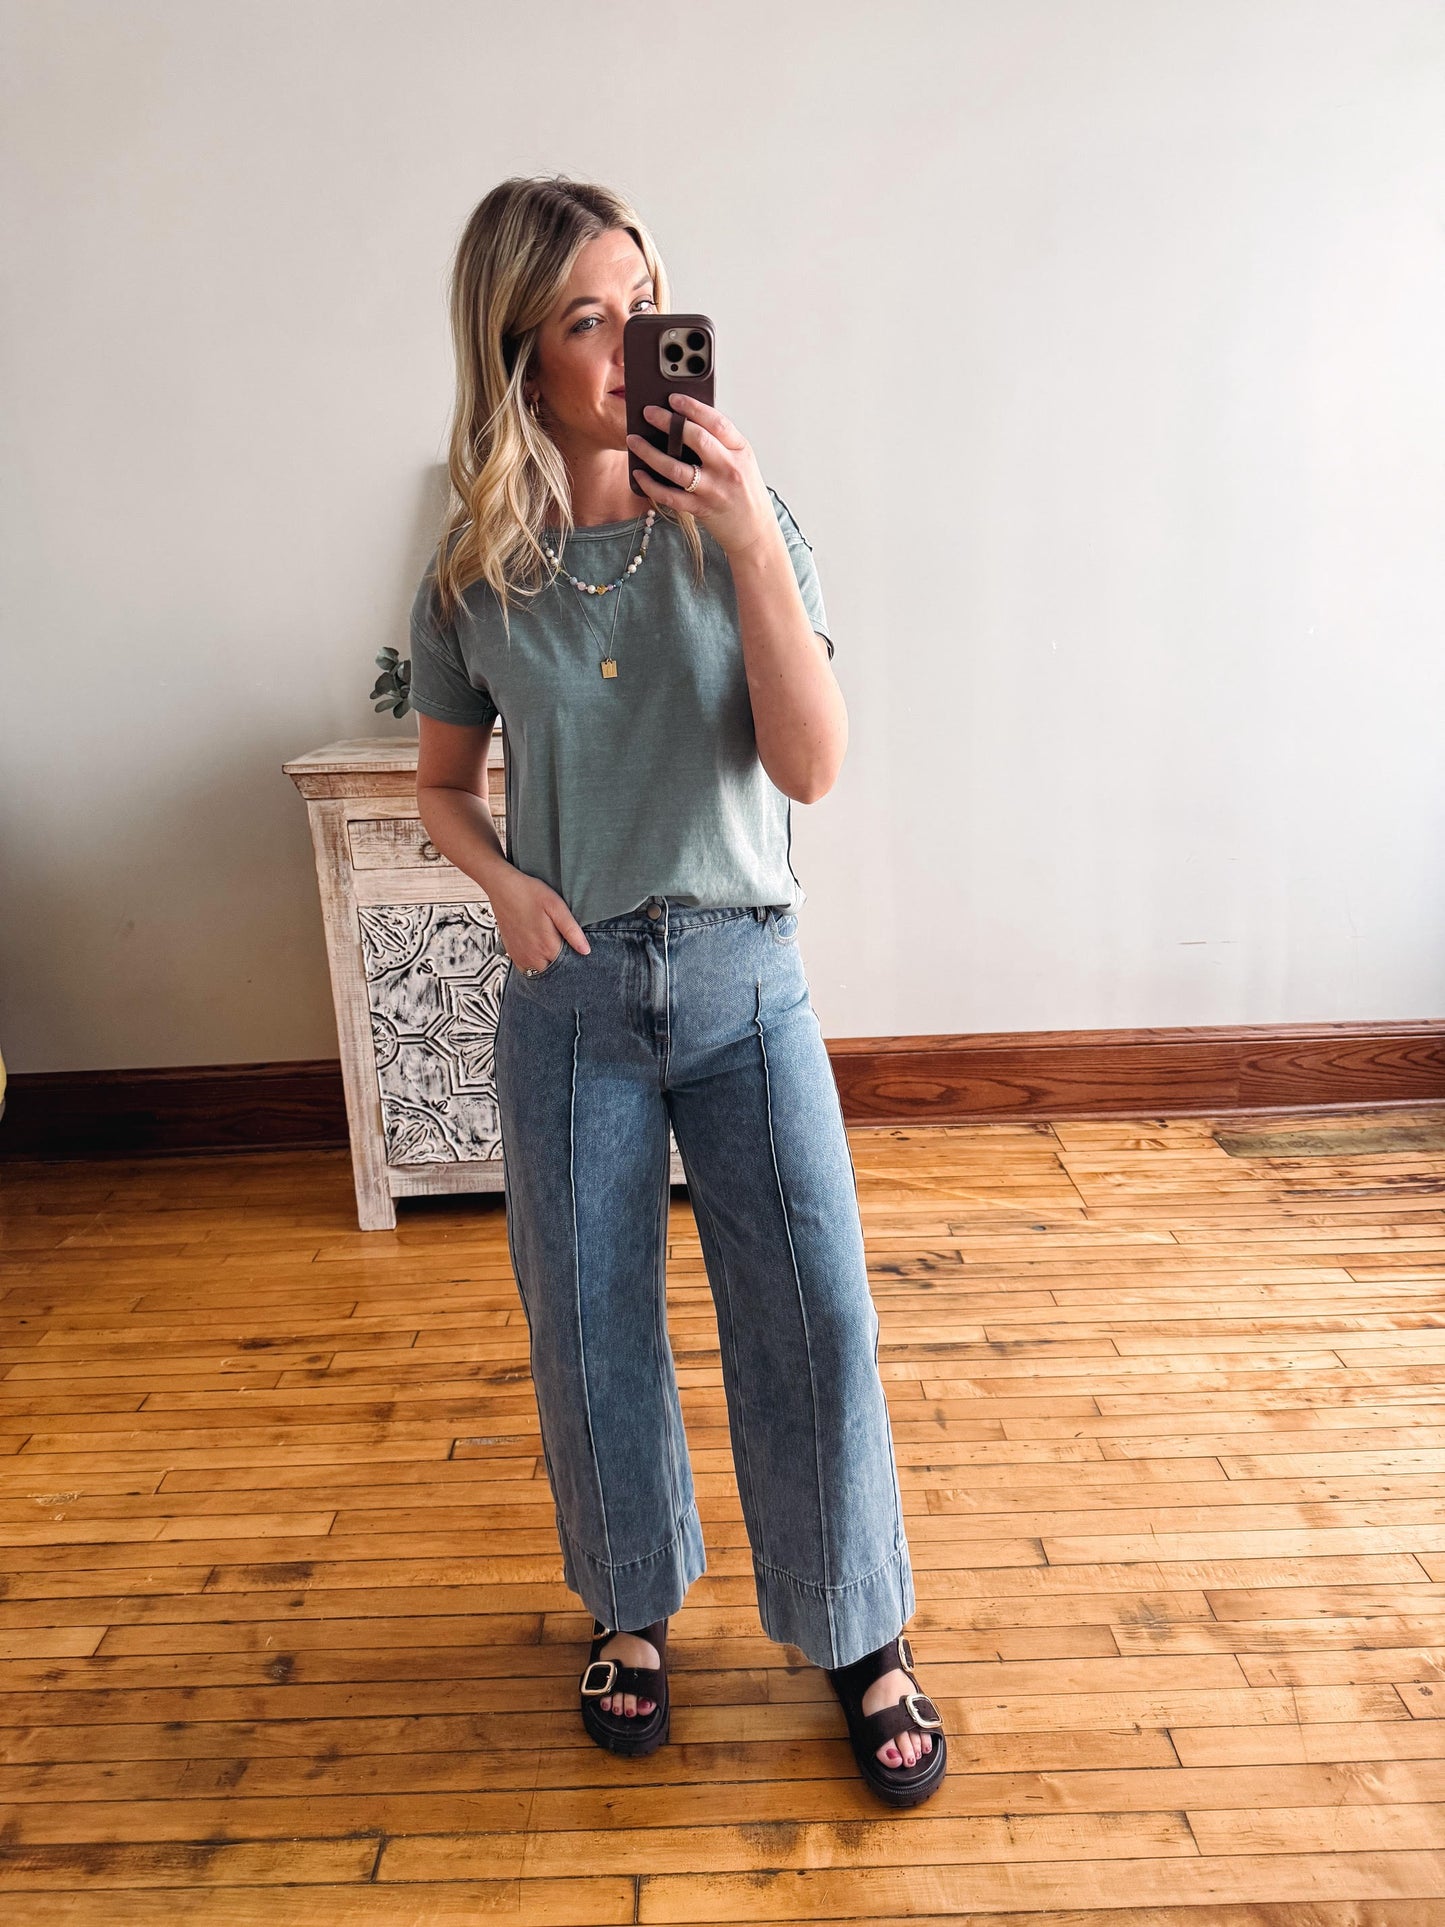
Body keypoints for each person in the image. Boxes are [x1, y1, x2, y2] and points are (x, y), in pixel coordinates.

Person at [410, 176, 947, 1807]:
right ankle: (629, 1609)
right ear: (518, 355)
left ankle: (854, 1626)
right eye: (588, 320)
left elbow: (812, 766)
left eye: (643, 304)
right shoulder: (474, 573)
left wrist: (747, 535)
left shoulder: (743, 520)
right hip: (571, 1001)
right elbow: (441, 787)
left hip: (742, 982)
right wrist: (501, 885)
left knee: (816, 1317)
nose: (633, 344)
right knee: (589, 1332)